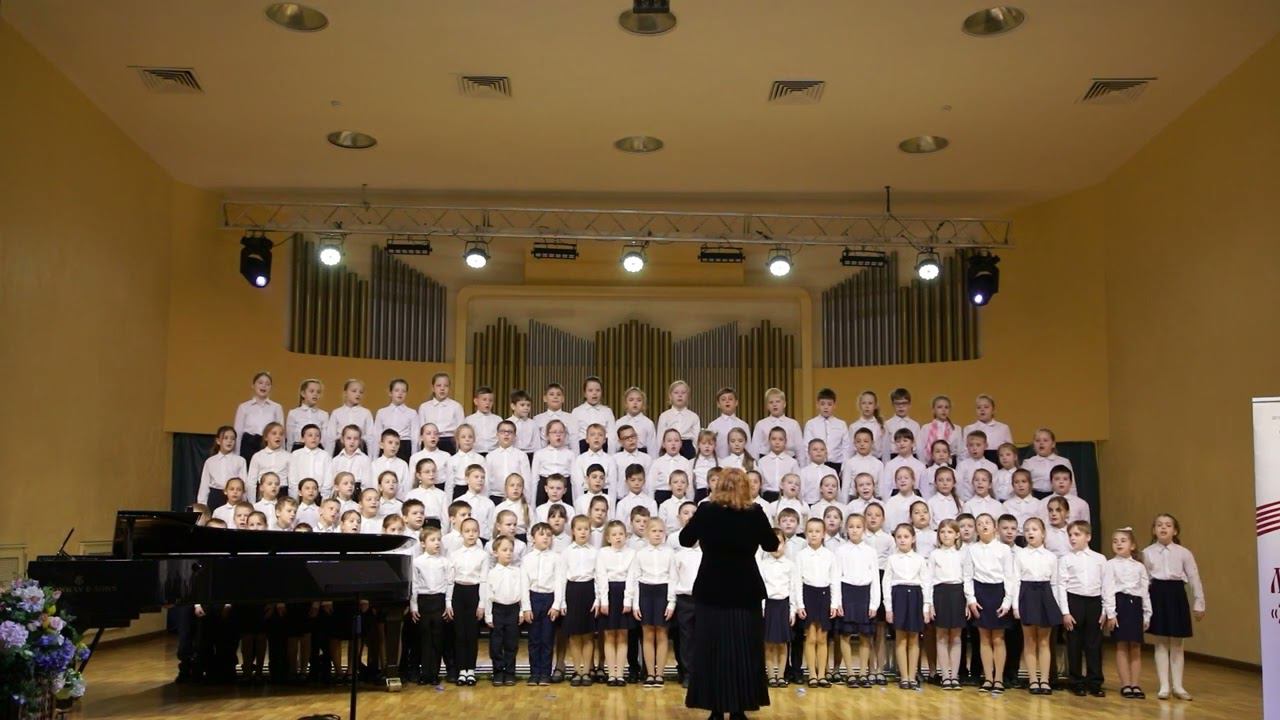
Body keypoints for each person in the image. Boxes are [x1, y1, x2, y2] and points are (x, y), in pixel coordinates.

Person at [679, 467, 778, 719]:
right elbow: (772, 544)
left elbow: (685, 539)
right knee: (744, 651)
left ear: (718, 486)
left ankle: (715, 709)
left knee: (711, 649)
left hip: (711, 589)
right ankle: (738, 709)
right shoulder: (755, 512)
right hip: (745, 591)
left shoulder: (706, 510)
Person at [1143, 512, 1204, 701]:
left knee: (1177, 642)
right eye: (1159, 524)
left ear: (1175, 531)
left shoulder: (1184, 553)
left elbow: (1194, 577)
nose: (1163, 527)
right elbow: (1144, 581)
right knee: (1161, 641)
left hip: (1176, 594)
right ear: (1154, 530)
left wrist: (1199, 601)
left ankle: (1178, 686)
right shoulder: (1147, 553)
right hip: (1157, 594)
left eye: (1168, 525)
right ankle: (1164, 686)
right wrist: (1144, 608)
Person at [964, 513, 1015, 694]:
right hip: (980, 592)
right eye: (979, 523)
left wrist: (1007, 601)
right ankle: (987, 678)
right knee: (984, 637)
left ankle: (998, 678)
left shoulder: (1004, 549)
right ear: (976, 529)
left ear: (995, 528)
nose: (984, 526)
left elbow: (1010, 576)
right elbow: (967, 576)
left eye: (987, 522)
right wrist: (971, 599)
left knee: (998, 638)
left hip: (998, 592)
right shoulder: (971, 549)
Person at [1013, 517, 1063, 695]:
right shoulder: (1020, 555)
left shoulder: (1051, 557)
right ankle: (1033, 680)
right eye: (1027, 530)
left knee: (1044, 641)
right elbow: (1015, 581)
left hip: (1045, 595)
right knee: (1029, 640)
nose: (1030, 532)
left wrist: (1057, 606)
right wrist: (1015, 606)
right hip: (1027, 594)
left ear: (1043, 533)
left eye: (1034, 529)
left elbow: (1055, 583)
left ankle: (1045, 680)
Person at [1058, 520, 1106, 697]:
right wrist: (1065, 612)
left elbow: (1106, 585)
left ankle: (1095, 681)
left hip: (1094, 602)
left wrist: (1106, 610)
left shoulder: (1099, 559)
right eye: (1070, 535)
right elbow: (1061, 586)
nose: (1072, 538)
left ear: (1088, 537)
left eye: (1077, 534)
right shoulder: (1066, 559)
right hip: (1074, 601)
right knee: (1074, 643)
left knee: (1094, 644)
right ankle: (1076, 681)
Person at [1104, 526, 1151, 700]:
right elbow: (1108, 589)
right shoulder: (1110, 565)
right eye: (1115, 541)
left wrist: (1147, 614)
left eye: (1123, 541)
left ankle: (1135, 684)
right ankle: (1125, 684)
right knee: (1122, 645)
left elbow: (1145, 591)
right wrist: (1111, 613)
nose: (1118, 544)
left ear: (1132, 545)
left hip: (1135, 606)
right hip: (1120, 605)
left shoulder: (1139, 567)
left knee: (1136, 646)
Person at [834, 513, 879, 688]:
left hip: (864, 593)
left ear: (864, 529)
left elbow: (875, 578)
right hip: (847, 592)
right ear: (846, 529)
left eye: (858, 527)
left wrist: (874, 603)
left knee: (865, 635)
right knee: (845, 633)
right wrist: (837, 602)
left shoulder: (870, 551)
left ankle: (862, 672)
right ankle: (850, 673)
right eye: (851, 527)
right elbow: (836, 577)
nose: (854, 530)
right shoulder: (840, 550)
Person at [883, 523, 930, 690]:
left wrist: (926, 607)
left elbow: (926, 583)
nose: (902, 540)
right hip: (899, 596)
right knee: (901, 638)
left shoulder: (919, 559)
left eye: (906, 537)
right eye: (899, 537)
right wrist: (888, 608)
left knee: (914, 638)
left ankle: (912, 675)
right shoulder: (892, 559)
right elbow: (886, 583)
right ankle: (904, 676)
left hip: (916, 596)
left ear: (913, 539)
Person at [630, 520, 676, 687]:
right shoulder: (640, 554)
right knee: (648, 634)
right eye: (654, 531)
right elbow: (635, 579)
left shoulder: (670, 553)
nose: (657, 534)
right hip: (645, 592)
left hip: (663, 592)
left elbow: (673, 578)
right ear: (647, 533)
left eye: (660, 531)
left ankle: (660, 674)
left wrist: (671, 602)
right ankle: (650, 673)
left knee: (662, 634)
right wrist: (635, 604)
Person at [522, 523, 564, 686]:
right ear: (533, 538)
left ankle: (545, 673)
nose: (545, 537)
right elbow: (524, 584)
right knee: (534, 639)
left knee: (547, 639)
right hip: (533, 598)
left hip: (549, 599)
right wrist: (526, 607)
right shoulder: (527, 559)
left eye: (548, 535)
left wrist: (556, 605)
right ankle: (534, 673)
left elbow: (559, 582)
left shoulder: (556, 558)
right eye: (541, 534)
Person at [595, 520, 636, 687]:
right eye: (614, 534)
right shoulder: (603, 553)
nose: (618, 537)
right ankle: (611, 674)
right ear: (608, 538)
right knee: (610, 635)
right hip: (609, 593)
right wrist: (603, 600)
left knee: (623, 635)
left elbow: (632, 577)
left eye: (621, 534)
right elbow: (601, 576)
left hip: (624, 592)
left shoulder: (632, 553)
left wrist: (628, 600)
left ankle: (620, 673)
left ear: (626, 536)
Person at [447, 517, 487, 686]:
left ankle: (470, 670)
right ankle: (461, 670)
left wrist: (482, 604)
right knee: (459, 634)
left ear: (479, 533)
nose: (471, 534)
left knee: (471, 634)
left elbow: (484, 580)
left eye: (474, 531)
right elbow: (450, 580)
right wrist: (448, 602)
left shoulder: (483, 555)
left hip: (474, 592)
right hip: (458, 592)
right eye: (467, 531)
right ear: (461, 533)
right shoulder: (454, 554)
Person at [485, 536, 529, 687]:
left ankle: (510, 672)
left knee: (511, 643)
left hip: (513, 609)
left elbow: (522, 592)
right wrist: (488, 615)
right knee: (496, 643)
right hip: (497, 609)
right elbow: (488, 595)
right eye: (504, 550)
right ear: (495, 552)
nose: (508, 553)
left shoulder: (518, 572)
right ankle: (498, 671)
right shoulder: (492, 573)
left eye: (511, 550)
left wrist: (522, 611)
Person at [758, 528, 799, 688]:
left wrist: (793, 610)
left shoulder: (790, 565)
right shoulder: (763, 565)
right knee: (768, 643)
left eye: (779, 543)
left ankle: (781, 675)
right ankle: (771, 675)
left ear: (785, 544)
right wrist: (762, 608)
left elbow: (794, 588)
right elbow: (761, 587)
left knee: (783, 643)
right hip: (768, 605)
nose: (776, 546)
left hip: (783, 606)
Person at [411, 526, 451, 686]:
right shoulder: (417, 562)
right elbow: (414, 585)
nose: (437, 543)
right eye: (432, 540)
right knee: (424, 638)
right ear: (423, 543)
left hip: (439, 601)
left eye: (438, 539)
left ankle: (434, 673)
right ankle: (424, 673)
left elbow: (449, 583)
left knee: (437, 638)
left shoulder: (445, 562)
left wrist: (448, 604)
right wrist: (414, 606)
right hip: (423, 601)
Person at [930, 519, 966, 690]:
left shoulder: (962, 554)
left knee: (956, 637)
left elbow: (967, 578)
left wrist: (968, 600)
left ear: (957, 535)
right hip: (940, 593)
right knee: (942, 636)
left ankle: (954, 675)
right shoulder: (934, 554)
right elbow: (929, 580)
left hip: (958, 593)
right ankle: (945, 675)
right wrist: (929, 603)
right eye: (942, 532)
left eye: (950, 532)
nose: (946, 535)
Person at [233, 371, 284, 466]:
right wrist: (236, 456)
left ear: (271, 387)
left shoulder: (276, 407)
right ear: (253, 385)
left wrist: (281, 453)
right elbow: (238, 433)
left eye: (267, 384)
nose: (264, 386)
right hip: (248, 445)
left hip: (268, 445)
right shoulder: (244, 407)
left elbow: (280, 433)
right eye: (260, 383)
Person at [324, 379, 376, 457]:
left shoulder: (366, 413)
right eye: (354, 391)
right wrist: (328, 457)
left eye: (361, 392)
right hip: (340, 451)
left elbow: (371, 438)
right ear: (345, 393)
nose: (358, 394)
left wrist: (371, 458)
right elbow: (330, 438)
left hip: (360, 450)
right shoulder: (336, 413)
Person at [198, 426, 247, 508]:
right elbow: (204, 485)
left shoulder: (240, 461)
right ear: (218, 441)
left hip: (233, 495)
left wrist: (244, 502)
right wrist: (202, 505)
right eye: (225, 438)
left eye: (233, 439)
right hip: (215, 496)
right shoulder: (210, 461)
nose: (229, 441)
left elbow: (243, 483)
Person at [417, 373, 465, 454]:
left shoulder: (456, 406)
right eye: (439, 385)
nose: (442, 388)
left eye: (446, 386)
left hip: (450, 442)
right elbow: (421, 429)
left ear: (449, 388)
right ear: (433, 388)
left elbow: (461, 430)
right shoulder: (424, 407)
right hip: (429, 441)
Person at [750, 388, 803, 462]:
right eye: (771, 402)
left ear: (784, 404)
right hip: (766, 461)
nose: (774, 405)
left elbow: (800, 448)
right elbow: (754, 449)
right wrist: (755, 466)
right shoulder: (760, 424)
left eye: (778, 401)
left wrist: (801, 466)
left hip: (789, 460)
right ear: (767, 406)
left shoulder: (793, 424)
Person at [804, 388, 849, 470]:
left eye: (829, 404)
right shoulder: (811, 424)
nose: (826, 407)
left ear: (834, 405)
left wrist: (844, 468)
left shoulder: (841, 424)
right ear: (817, 405)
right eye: (822, 404)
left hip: (837, 464)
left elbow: (846, 448)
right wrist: (809, 466)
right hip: (816, 464)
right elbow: (807, 446)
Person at [1020, 428, 1073, 498]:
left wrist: (1071, 501)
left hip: (1058, 497)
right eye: (1037, 440)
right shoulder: (1028, 463)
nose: (1041, 443)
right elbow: (1021, 483)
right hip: (1034, 497)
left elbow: (1072, 486)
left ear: (1053, 444)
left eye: (1045, 440)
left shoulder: (1064, 462)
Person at [374, 378, 417, 463]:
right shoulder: (381, 412)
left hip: (404, 446)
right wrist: (375, 457)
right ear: (390, 393)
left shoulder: (412, 413)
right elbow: (376, 436)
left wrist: (414, 458)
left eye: (403, 391)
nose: (400, 393)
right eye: (397, 390)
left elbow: (415, 438)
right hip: (386, 446)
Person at [656, 380, 700, 459]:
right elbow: (660, 437)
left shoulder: (693, 416)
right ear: (670, 396)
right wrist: (657, 456)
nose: (680, 395)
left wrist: (697, 457)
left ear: (688, 396)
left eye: (683, 393)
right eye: (676, 393)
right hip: (669, 446)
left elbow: (696, 439)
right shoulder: (664, 416)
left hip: (687, 448)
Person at [247, 423, 289, 501]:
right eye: (274, 433)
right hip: (262, 493)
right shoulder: (257, 456)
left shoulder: (289, 456)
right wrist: (252, 503)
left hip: (282, 493)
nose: (278, 436)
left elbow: (293, 482)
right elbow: (251, 482)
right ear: (266, 437)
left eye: (281, 434)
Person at [571, 376, 615, 453]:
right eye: (590, 390)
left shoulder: (607, 411)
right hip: (583, 449)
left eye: (598, 390)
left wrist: (611, 455)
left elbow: (612, 436)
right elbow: (573, 436)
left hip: (603, 449)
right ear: (585, 393)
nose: (594, 393)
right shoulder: (577, 411)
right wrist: (576, 456)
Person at [611, 387, 656, 454]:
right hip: (623, 455)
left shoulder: (648, 423)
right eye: (631, 400)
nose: (635, 403)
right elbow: (614, 444)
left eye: (639, 400)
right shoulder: (619, 422)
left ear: (643, 404)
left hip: (642, 455)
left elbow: (652, 447)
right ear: (626, 403)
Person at [286, 378, 328, 450]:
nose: (315, 394)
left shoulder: (324, 415)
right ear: (303, 393)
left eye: (318, 392)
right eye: (311, 391)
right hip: (298, 450)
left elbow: (325, 440)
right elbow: (290, 440)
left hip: (317, 451)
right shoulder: (293, 413)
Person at [881, 388, 920, 462]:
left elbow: (919, 448)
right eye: (897, 403)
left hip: (912, 458)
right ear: (893, 405)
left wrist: (922, 463)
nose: (901, 406)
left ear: (909, 404)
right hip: (893, 458)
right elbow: (885, 448)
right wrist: (886, 464)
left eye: (904, 403)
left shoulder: (915, 425)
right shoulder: (887, 424)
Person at [847, 390, 885, 463]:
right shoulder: (854, 427)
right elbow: (850, 450)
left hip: (876, 462)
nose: (867, 406)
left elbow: (885, 450)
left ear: (875, 406)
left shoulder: (881, 426)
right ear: (860, 405)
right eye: (864, 403)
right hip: (858, 462)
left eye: (870, 403)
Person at [465, 386, 501, 455]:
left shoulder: (498, 420)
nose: (487, 403)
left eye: (490, 400)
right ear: (476, 401)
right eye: (484, 400)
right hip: (475, 453)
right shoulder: (469, 420)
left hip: (493, 453)